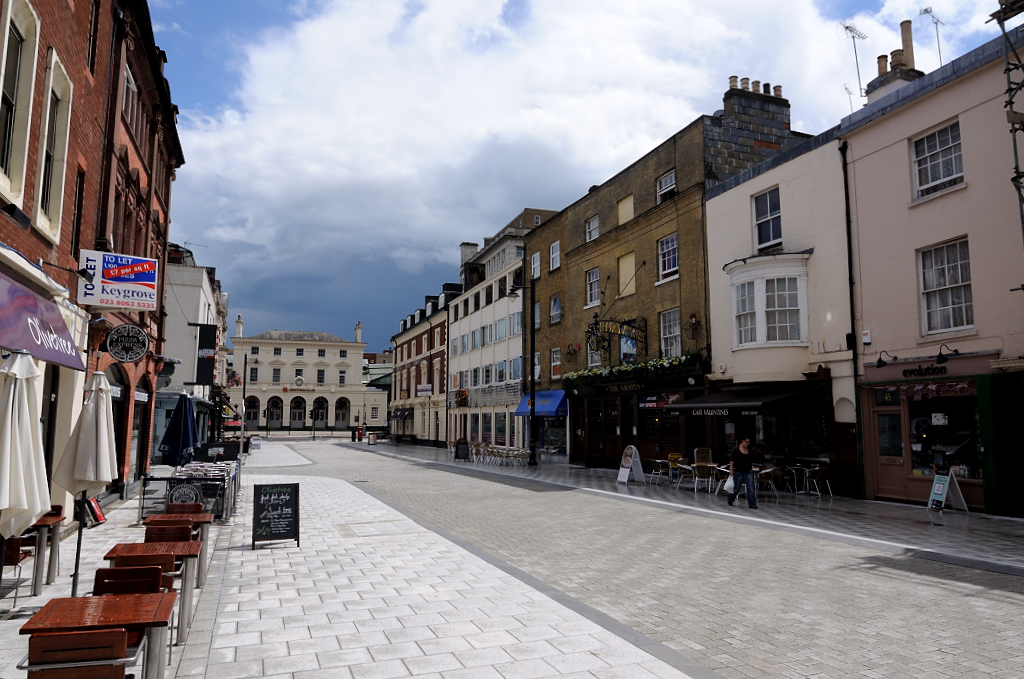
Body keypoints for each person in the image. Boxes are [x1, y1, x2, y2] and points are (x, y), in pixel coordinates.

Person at [727, 436, 758, 509]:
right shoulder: (736, 449)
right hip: (738, 471)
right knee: (737, 488)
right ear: (742, 441)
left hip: (748, 471)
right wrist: (731, 469)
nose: (747, 444)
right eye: (746, 442)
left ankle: (752, 504)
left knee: (750, 487)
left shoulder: (749, 450)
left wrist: (755, 452)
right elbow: (732, 460)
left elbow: (753, 459)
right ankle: (730, 498)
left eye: (748, 442)